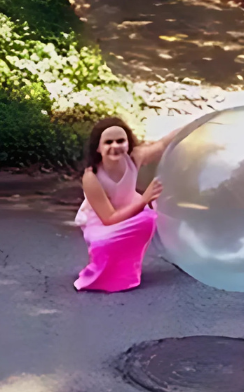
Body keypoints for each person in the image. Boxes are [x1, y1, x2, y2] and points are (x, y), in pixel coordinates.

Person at [74, 117, 180, 292]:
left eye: (120, 141)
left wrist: (193, 126)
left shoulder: (134, 158)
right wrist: (144, 199)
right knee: (103, 242)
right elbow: (109, 218)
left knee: (148, 219)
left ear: (128, 144)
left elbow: (162, 145)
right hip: (102, 222)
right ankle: (103, 275)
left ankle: (128, 271)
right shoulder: (91, 177)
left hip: (132, 212)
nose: (115, 146)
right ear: (98, 148)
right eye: (108, 142)